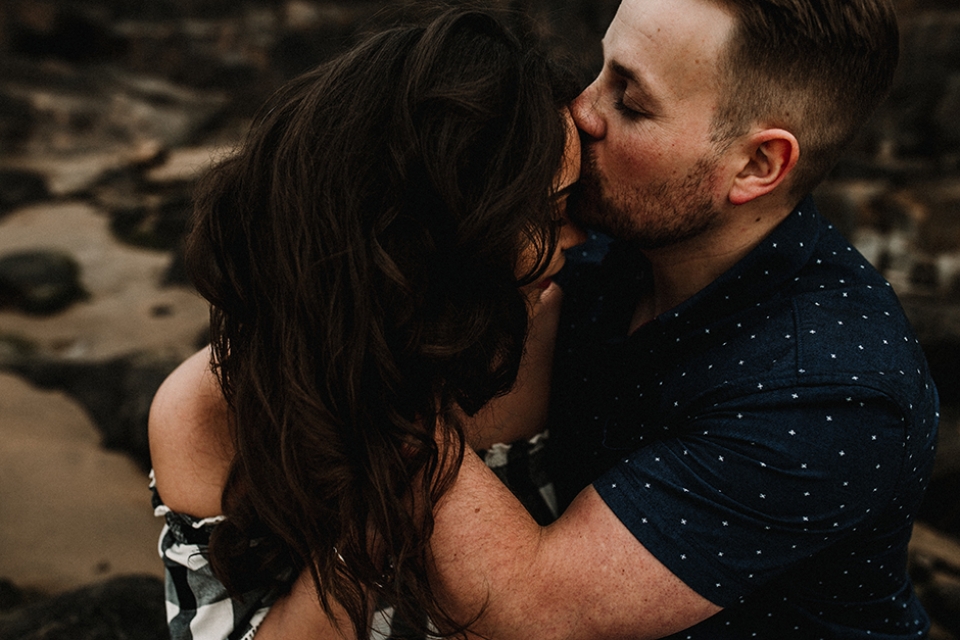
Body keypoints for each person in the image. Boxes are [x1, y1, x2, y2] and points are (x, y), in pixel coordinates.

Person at [421, 0, 939, 638]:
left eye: (631, 103)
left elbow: (529, 611)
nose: (582, 109)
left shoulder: (829, 389)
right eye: (601, 69)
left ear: (756, 166)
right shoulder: (616, 240)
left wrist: (364, 379)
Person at [147, 7, 585, 640]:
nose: (579, 238)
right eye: (551, 212)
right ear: (440, 236)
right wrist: (373, 517)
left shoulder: (570, 330)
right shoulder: (211, 410)